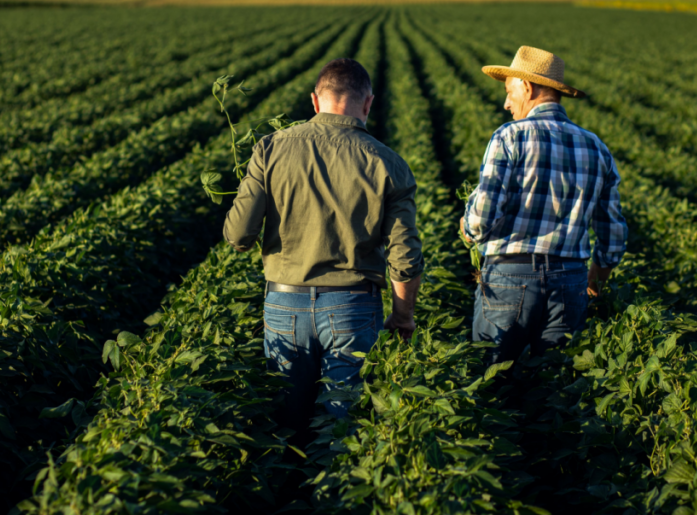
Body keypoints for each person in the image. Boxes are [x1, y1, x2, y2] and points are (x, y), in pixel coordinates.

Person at [224, 57, 424, 440]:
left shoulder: (270, 148)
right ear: (368, 104)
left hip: (284, 306)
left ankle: (290, 494)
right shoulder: (388, 162)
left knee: (286, 427)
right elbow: (405, 257)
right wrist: (403, 316)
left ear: (315, 101)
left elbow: (238, 236)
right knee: (342, 429)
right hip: (353, 308)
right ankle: (335, 494)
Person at [460, 46, 627, 364]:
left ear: (528, 86)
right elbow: (613, 236)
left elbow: (480, 220)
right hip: (571, 280)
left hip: (510, 275)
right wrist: (593, 282)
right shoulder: (596, 146)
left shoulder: (510, 137)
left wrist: (466, 229)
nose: (506, 103)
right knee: (554, 390)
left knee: (493, 383)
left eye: (509, 91)